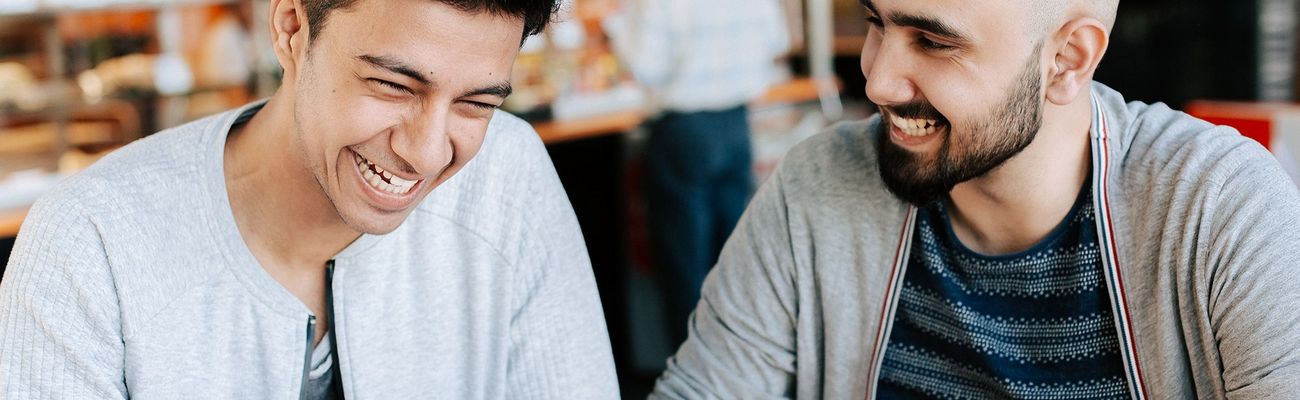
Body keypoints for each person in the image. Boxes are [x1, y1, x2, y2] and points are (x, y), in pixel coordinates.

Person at [652, 0, 1300, 398]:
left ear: (1068, 60)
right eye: (877, 21)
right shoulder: (817, 186)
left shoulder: (1219, 205)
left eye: (933, 41)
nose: (876, 80)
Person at [0, 0, 619, 398]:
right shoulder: (89, 240)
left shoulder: (508, 174)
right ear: (292, 27)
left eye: (476, 104)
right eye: (392, 84)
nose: (428, 154)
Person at [601, 0, 790, 346]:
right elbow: (777, 42)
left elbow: (647, 67)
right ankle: (739, 376)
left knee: (684, 268)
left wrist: (615, 24)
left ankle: (693, 383)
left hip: (683, 133)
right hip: (736, 126)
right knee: (734, 262)